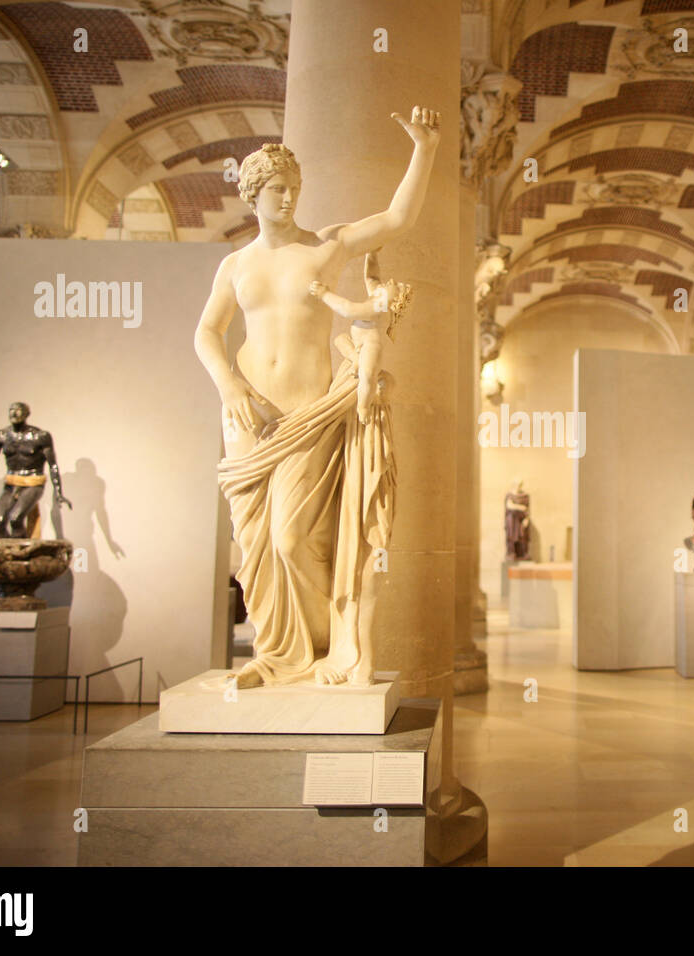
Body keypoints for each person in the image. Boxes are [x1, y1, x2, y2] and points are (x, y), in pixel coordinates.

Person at [193, 107, 441, 689]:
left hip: (309, 412)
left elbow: (398, 218)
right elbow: (206, 332)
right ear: (253, 194)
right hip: (251, 418)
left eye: (295, 188)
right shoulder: (235, 266)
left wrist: (424, 149)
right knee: (256, 547)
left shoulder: (326, 247)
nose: (288, 198)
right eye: (277, 188)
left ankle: (326, 645)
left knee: (292, 536)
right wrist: (228, 383)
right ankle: (277, 655)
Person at [310, 250, 413, 425]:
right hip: (358, 343)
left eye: (395, 285)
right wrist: (371, 253)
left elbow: (348, 309)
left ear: (394, 300)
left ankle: (363, 406)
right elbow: (372, 277)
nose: (391, 281)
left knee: (368, 375)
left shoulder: (378, 307)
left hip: (369, 345)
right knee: (340, 340)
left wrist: (324, 294)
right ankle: (355, 359)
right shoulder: (378, 297)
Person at [0, 401, 72, 537]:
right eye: (11, 409)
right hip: (11, 483)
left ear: (27, 414)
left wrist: (58, 493)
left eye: (18, 410)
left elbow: (52, 465)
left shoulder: (40, 436)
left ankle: (22, 554)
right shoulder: (2, 435)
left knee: (15, 519)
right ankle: (5, 556)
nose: (14, 413)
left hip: (32, 483)